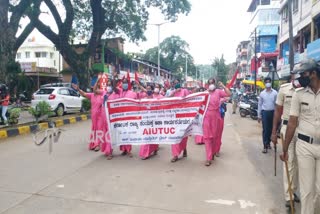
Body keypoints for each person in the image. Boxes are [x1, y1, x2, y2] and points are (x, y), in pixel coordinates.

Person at [281, 59, 320, 214]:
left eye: (303, 73)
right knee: (307, 190)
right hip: (304, 146)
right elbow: (292, 123)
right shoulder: (299, 94)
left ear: (314, 73)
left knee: (318, 189)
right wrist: (284, 149)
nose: (300, 77)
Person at [271, 68, 301, 209]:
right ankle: (288, 197)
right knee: (288, 161)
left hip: (302, 130)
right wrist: (273, 132)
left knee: (298, 163)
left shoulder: (306, 89)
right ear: (292, 75)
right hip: (286, 128)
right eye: (297, 73)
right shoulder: (284, 89)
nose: (299, 76)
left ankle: (293, 189)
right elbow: (277, 111)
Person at [203, 78, 231, 166]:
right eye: (209, 83)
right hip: (206, 117)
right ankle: (208, 158)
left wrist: (223, 86)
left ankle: (214, 151)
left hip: (216, 117)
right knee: (207, 137)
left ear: (214, 84)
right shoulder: (205, 93)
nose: (211, 84)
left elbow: (229, 94)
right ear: (207, 84)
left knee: (214, 136)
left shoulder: (218, 92)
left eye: (212, 83)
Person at [72, 81, 106, 151]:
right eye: (93, 87)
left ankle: (97, 145)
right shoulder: (92, 95)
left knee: (99, 129)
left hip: (100, 116)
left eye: (96, 87)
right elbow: (84, 94)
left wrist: (98, 81)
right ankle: (93, 144)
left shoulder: (102, 94)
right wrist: (78, 89)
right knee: (94, 129)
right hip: (94, 116)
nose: (94, 88)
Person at [139, 85, 161, 160]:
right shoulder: (143, 99)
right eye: (147, 89)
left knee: (153, 136)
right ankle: (145, 153)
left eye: (149, 89)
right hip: (145, 121)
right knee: (146, 137)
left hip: (154, 121)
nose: (148, 90)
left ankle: (154, 149)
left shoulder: (155, 99)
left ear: (152, 90)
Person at [170, 79, 189, 162]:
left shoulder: (185, 91)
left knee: (183, 135)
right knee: (174, 135)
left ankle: (184, 148)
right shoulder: (172, 92)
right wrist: (174, 92)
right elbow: (166, 100)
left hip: (183, 116)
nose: (176, 84)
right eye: (174, 83)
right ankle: (175, 155)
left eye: (177, 82)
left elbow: (190, 100)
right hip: (174, 116)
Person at [101, 79, 120, 160]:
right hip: (103, 117)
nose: (108, 87)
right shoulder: (104, 93)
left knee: (110, 135)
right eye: (107, 85)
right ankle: (106, 150)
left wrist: (114, 79)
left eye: (110, 85)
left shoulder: (115, 94)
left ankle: (110, 151)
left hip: (111, 117)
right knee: (105, 134)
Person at [258, 77, 278, 153]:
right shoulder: (262, 93)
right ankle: (265, 145)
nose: (268, 83)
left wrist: (278, 115)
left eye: (269, 81)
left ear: (271, 82)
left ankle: (269, 142)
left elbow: (277, 105)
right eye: (266, 82)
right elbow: (260, 105)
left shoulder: (275, 93)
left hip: (273, 112)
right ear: (265, 83)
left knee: (271, 129)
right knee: (265, 129)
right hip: (265, 112)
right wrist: (259, 115)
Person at [119, 77, 138, 157]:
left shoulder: (132, 93)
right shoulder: (119, 93)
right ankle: (123, 150)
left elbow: (137, 103)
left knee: (128, 133)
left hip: (129, 116)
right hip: (120, 116)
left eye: (126, 82)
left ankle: (129, 150)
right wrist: (114, 77)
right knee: (122, 133)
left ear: (128, 84)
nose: (124, 84)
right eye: (123, 82)